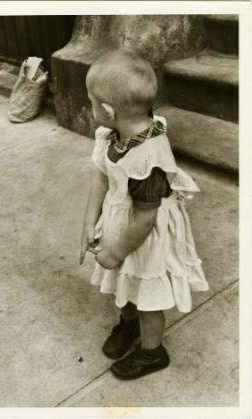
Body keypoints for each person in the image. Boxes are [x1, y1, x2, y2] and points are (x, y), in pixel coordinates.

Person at [79, 48, 209, 380]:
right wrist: (88, 223)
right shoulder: (112, 135)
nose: (90, 107)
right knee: (125, 280)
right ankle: (128, 321)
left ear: (108, 110)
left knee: (148, 295)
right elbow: (101, 177)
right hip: (122, 223)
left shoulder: (147, 159)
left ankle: (152, 352)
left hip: (145, 236)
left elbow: (145, 219)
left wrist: (115, 252)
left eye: (91, 102)